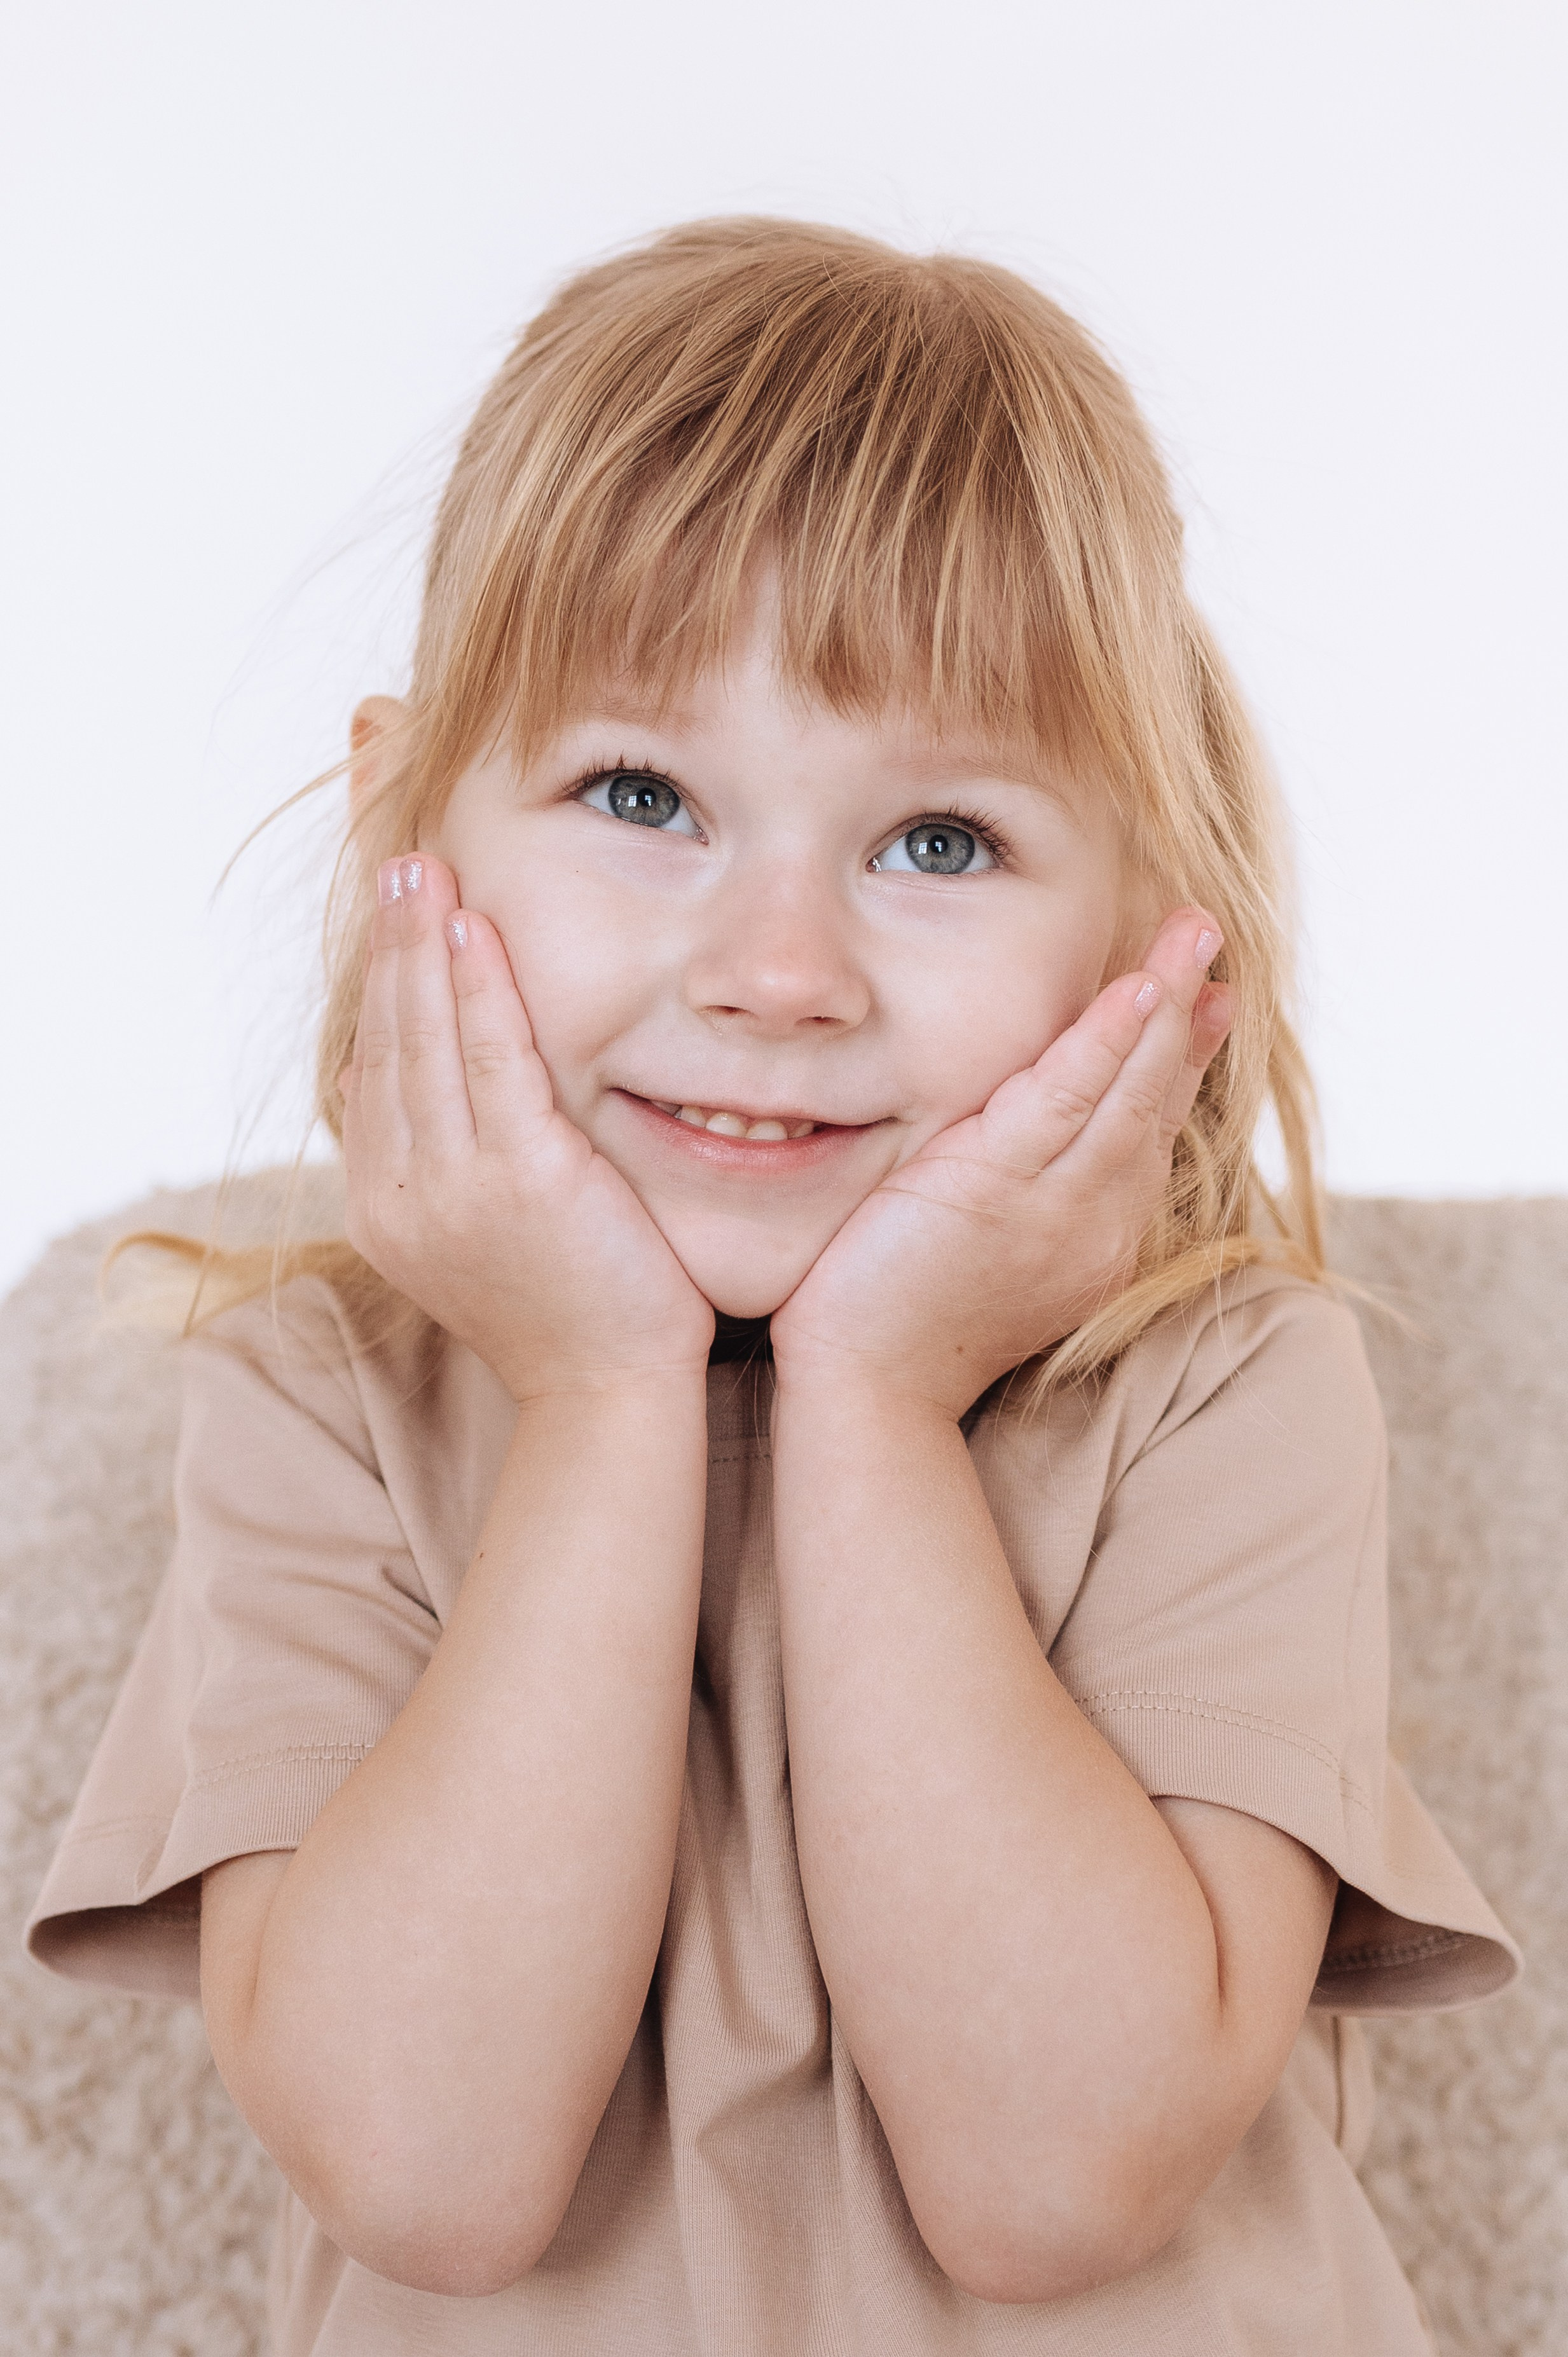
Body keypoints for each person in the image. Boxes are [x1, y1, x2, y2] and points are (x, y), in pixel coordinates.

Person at [27, 217, 1517, 2355]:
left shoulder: (1219, 1386)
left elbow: (1052, 2178)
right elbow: (430, 2174)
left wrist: (881, 1401)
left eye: (938, 843)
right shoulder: (319, 1395)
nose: (776, 976)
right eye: (641, 794)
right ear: (401, 840)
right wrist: (605, 1391)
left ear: (1150, 943)